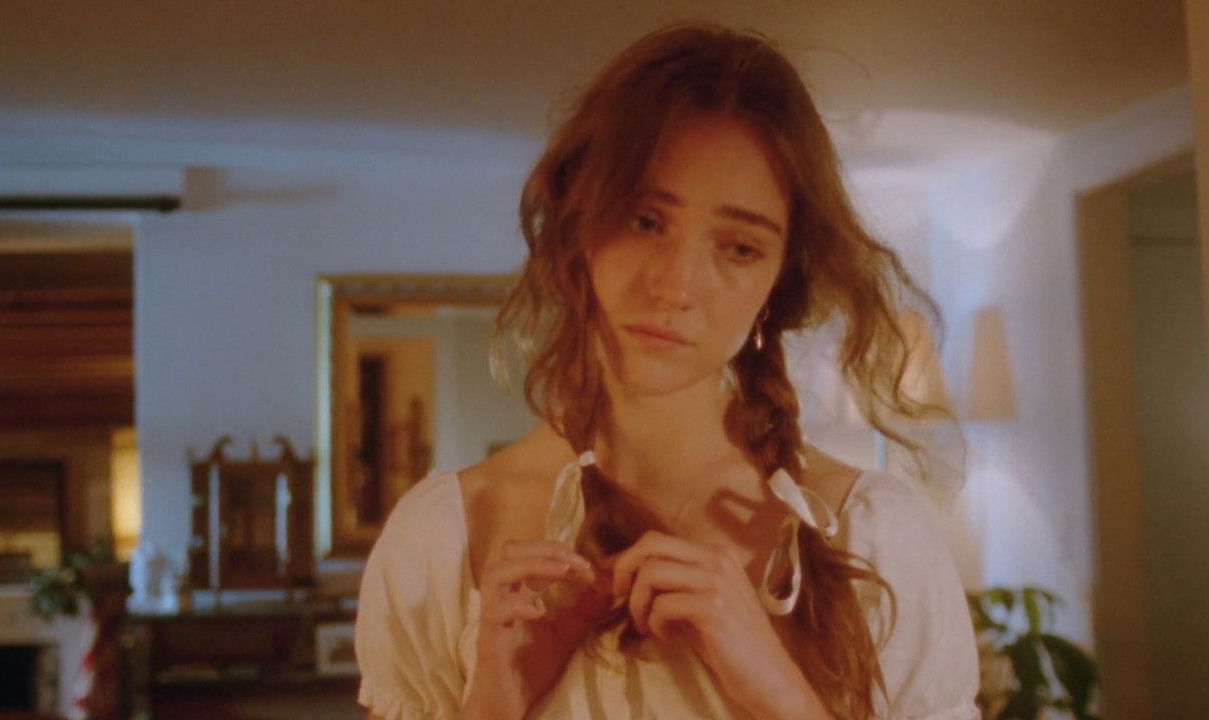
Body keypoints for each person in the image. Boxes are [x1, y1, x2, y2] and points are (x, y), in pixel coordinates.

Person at [355, 22, 979, 720]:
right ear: (577, 222)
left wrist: (779, 692)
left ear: (778, 281)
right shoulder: (442, 540)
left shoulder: (874, 537)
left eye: (739, 247)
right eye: (645, 221)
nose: (675, 286)